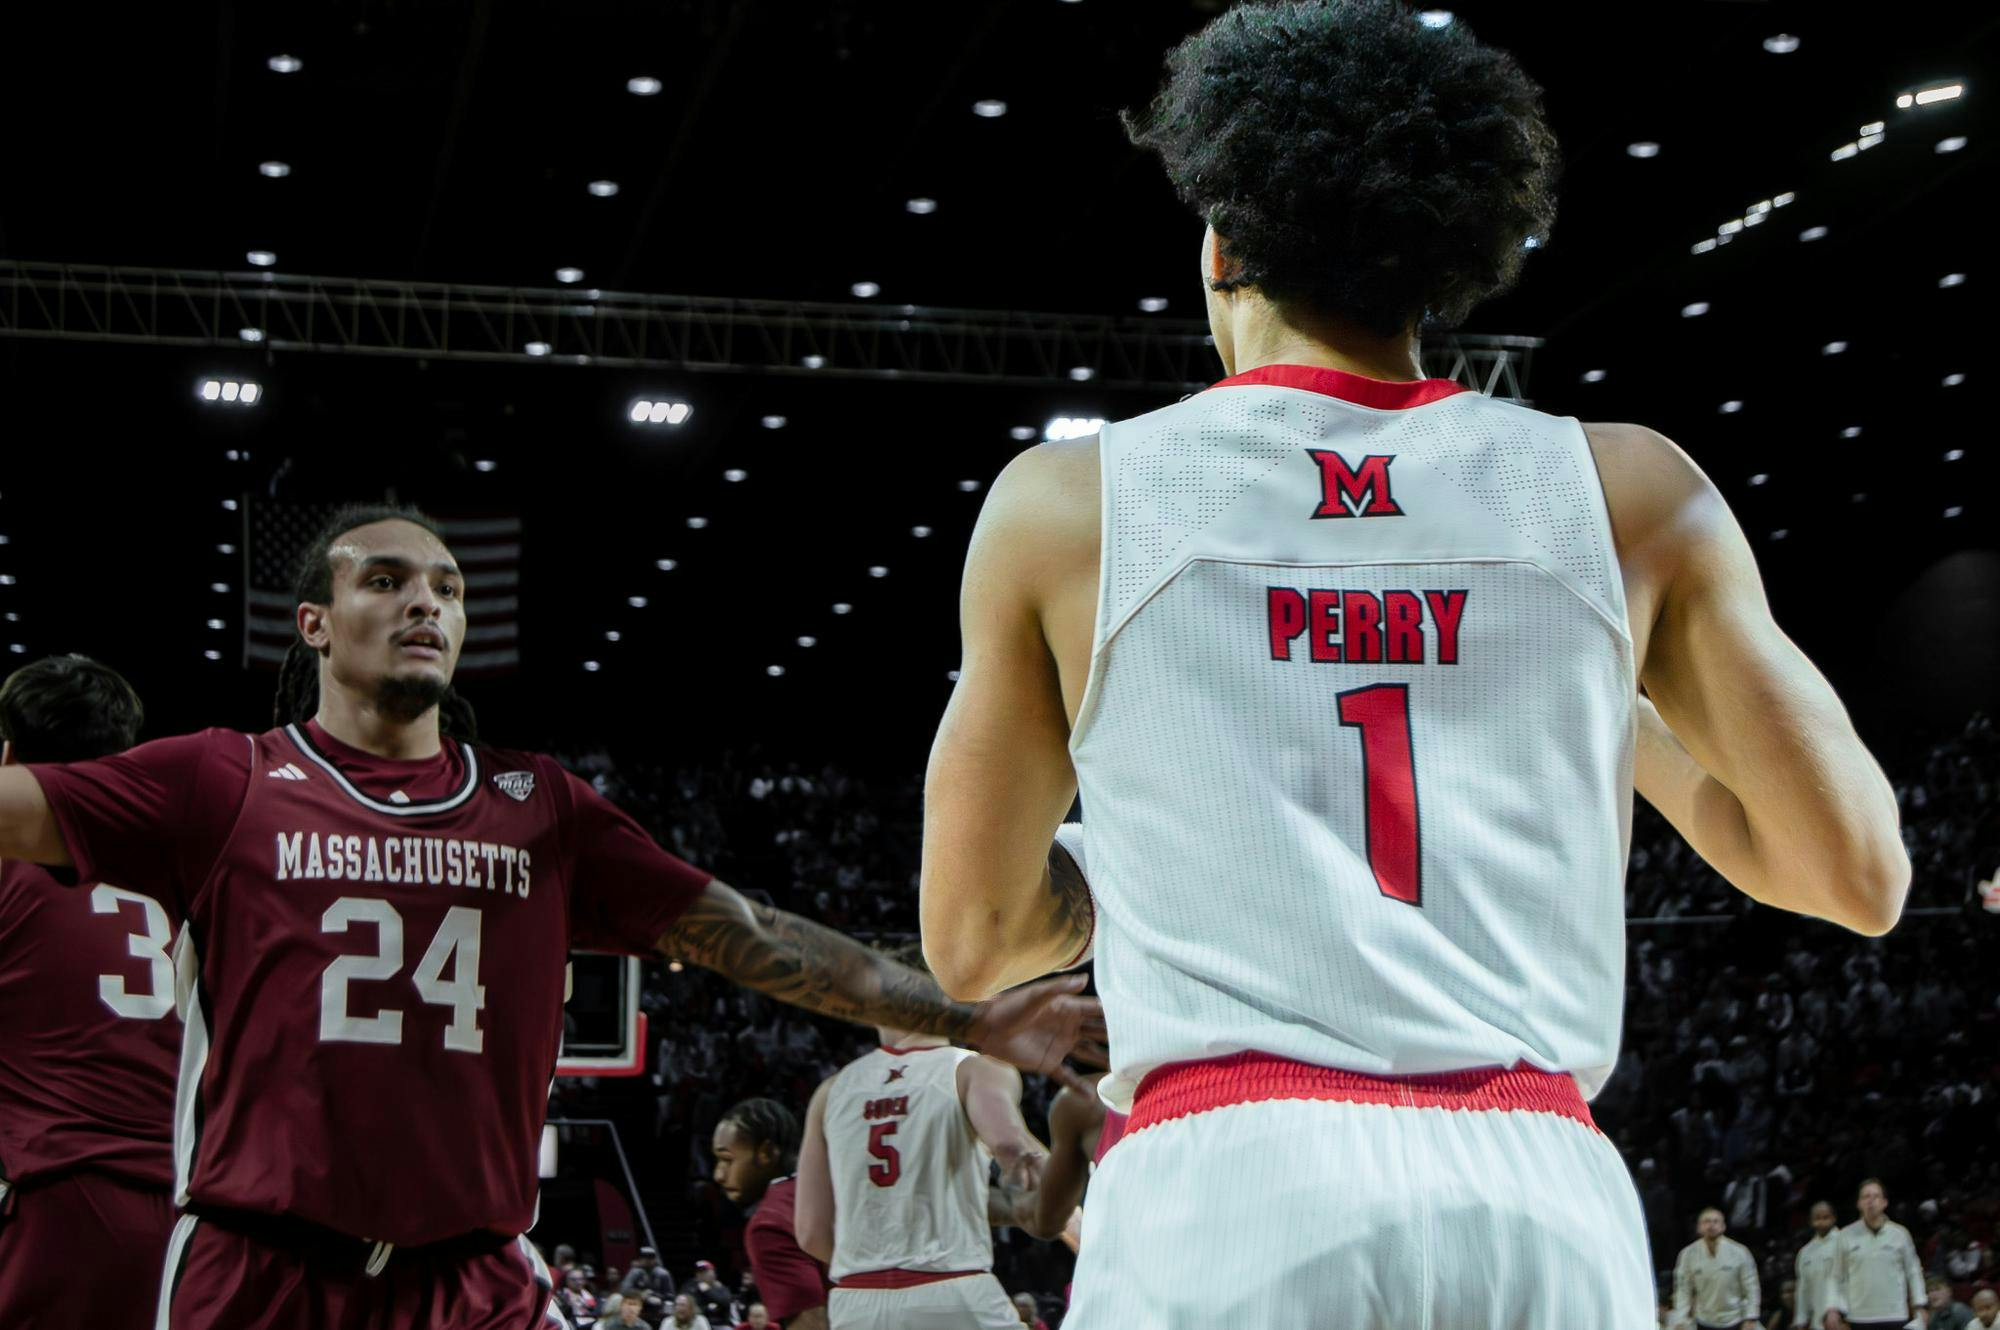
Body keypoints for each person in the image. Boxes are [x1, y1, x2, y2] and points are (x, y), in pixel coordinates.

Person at [916, 2, 1909, 1325]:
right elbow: (1854, 870)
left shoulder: (1070, 506)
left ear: (1221, 252)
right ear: (1446, 264)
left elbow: (974, 936)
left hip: (1228, 1190)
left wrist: (1113, 879)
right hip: (1537, 1192)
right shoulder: (1624, 492)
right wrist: (1598, 699)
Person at [0, 504, 1104, 1330]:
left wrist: (963, 1019)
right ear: (314, 627)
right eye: (383, 581)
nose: (424, 601)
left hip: (472, 1275)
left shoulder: (541, 810)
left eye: (443, 585)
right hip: (263, 1268)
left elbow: (757, 936)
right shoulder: (221, 780)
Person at [0, 654, 178, 1330]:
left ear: (10, 755)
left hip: (69, 1205)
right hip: (201, 1219)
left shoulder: (10, 869)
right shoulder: (188, 863)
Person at [795, 947, 1049, 1330]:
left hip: (856, 1300)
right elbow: (1012, 1147)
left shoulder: (831, 1091)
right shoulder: (971, 1068)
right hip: (952, 1288)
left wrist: (878, 1266)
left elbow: (811, 1231)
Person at [712, 1098, 830, 1330]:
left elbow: (812, 1323)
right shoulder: (830, 1182)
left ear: (766, 1152)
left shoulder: (769, 1224)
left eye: (727, 1160)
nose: (718, 1174)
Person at [1829, 1180, 1927, 1329]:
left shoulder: (1900, 1234)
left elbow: (1913, 1271)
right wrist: (1833, 1308)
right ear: (1859, 1204)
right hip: (1858, 1316)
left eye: (1876, 1196)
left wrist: (1919, 1304)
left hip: (1895, 1314)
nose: (1871, 1201)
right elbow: (1836, 1276)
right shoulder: (1845, 1235)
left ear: (1884, 1202)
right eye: (1866, 1196)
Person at [1672, 1208, 1762, 1330]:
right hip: (1704, 1319)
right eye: (1707, 1221)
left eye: (1716, 1221)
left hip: (1735, 1318)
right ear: (1699, 1227)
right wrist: (1681, 1319)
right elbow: (1683, 1289)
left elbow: (1751, 1287)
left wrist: (1751, 1317)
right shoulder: (1688, 1254)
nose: (1711, 1225)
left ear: (1723, 1226)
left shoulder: (1740, 1252)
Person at [1795, 1201, 1842, 1329]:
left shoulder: (1844, 1242)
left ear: (1833, 1218)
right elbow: (1803, 1288)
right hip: (1817, 1320)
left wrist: (1838, 1309)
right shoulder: (1805, 1252)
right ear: (1811, 1221)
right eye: (1817, 1218)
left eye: (1825, 1217)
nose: (1821, 1222)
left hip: (1842, 1317)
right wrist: (1801, 1318)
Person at [687, 1261, 739, 1328]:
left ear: (713, 1273)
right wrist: (709, 1308)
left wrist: (708, 1291)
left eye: (706, 1272)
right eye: (699, 1273)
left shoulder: (721, 1288)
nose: (701, 1275)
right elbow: (694, 1307)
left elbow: (725, 1302)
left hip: (720, 1324)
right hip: (699, 1323)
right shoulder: (691, 1287)